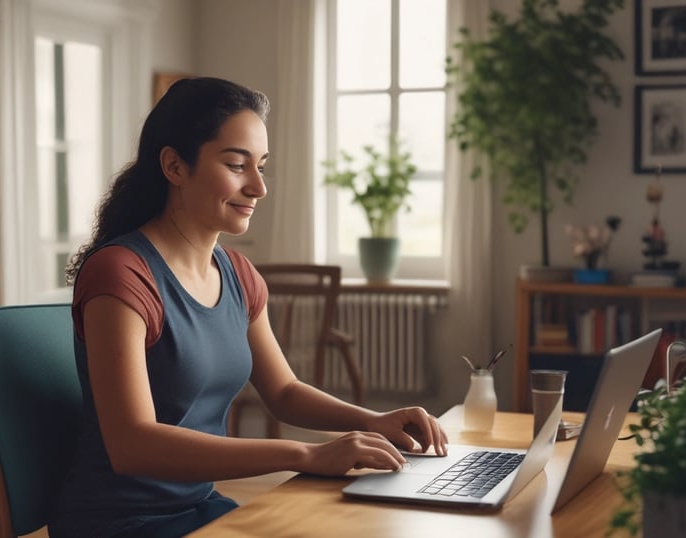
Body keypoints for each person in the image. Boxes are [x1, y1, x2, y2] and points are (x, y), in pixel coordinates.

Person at [49, 76, 448, 538]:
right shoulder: (121, 273)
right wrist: (306, 455)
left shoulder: (238, 273)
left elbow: (283, 392)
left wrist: (374, 420)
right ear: (174, 166)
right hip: (118, 523)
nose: (258, 187)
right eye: (237, 165)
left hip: (200, 507)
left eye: (261, 166)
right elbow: (131, 444)